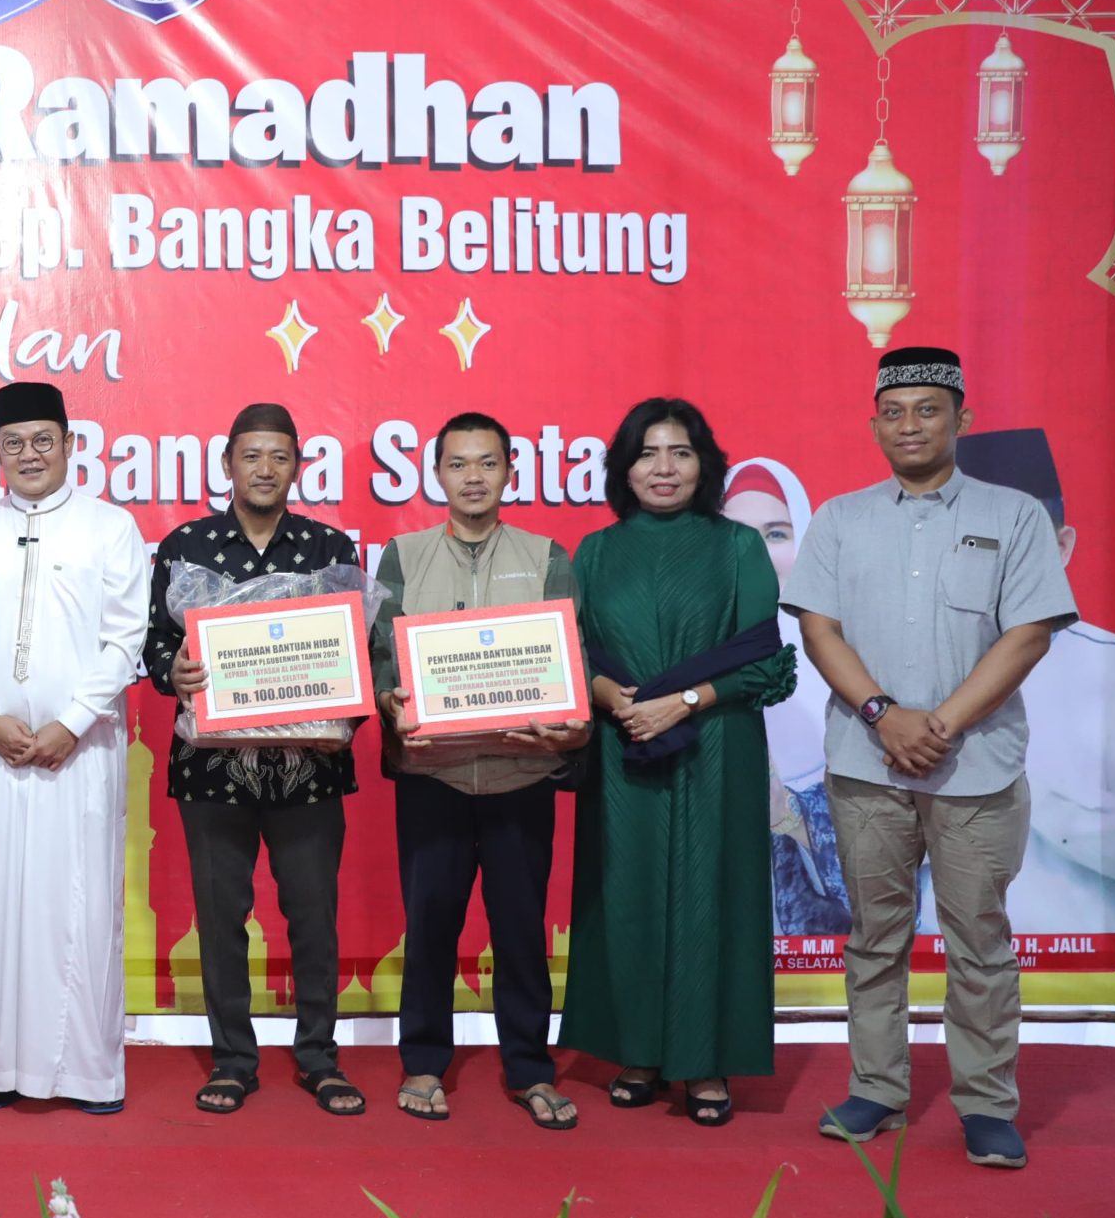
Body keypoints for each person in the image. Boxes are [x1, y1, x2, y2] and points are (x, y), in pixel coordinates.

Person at [786, 350, 1076, 1171]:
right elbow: (819, 629)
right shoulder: (840, 519)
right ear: (874, 421)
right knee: (875, 937)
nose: (910, 425)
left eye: (927, 410)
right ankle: (876, 1087)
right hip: (866, 764)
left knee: (978, 939)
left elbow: (1028, 635)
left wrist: (938, 724)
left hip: (975, 767)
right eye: (895, 411)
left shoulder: (1014, 516)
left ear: (961, 420)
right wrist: (883, 716)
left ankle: (986, 1103)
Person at [563, 397, 793, 1129]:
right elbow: (570, 654)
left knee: (709, 897)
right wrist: (612, 698)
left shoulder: (737, 548)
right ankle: (636, 1053)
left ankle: (705, 1062)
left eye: (681, 453)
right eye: (647, 454)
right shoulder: (594, 553)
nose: (664, 469)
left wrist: (683, 700)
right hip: (621, 745)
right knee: (625, 896)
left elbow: (767, 666)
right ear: (623, 469)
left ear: (705, 465)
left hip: (716, 749)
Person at [143, 403, 367, 1118]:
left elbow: (358, 656)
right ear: (227, 464)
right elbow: (152, 644)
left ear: (298, 465)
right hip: (214, 770)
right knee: (220, 917)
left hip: (310, 769)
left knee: (313, 916)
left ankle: (319, 1059)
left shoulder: (330, 548)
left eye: (279, 457)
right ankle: (233, 1060)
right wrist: (170, 674)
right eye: (251, 456)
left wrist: (343, 702)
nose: (264, 469)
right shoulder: (187, 546)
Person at [367, 412, 589, 1129]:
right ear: (436, 475)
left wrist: (566, 715)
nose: (472, 477)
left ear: (509, 474)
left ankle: (530, 1069)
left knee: (521, 928)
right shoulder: (402, 555)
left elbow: (569, 655)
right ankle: (425, 1064)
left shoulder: (548, 554)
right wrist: (392, 700)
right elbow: (381, 656)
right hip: (435, 777)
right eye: (458, 464)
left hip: (520, 777)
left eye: (487, 464)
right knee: (430, 923)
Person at [0, 383, 149, 1113]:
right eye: (14, 443)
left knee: (79, 908)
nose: (30, 455)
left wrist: (75, 721)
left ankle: (86, 1070)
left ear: (70, 444)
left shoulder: (109, 528)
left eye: (43, 441)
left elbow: (126, 638)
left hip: (80, 752)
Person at [951, 427, 1115, 937]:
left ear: (1062, 547)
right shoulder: (901, 668)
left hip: (1087, 980)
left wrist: (1035, 794)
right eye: (978, 542)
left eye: (1022, 539)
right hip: (934, 967)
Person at [723, 459, 850, 937]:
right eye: (735, 534)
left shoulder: (843, 653)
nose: (753, 551)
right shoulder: (687, 647)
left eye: (776, 534)